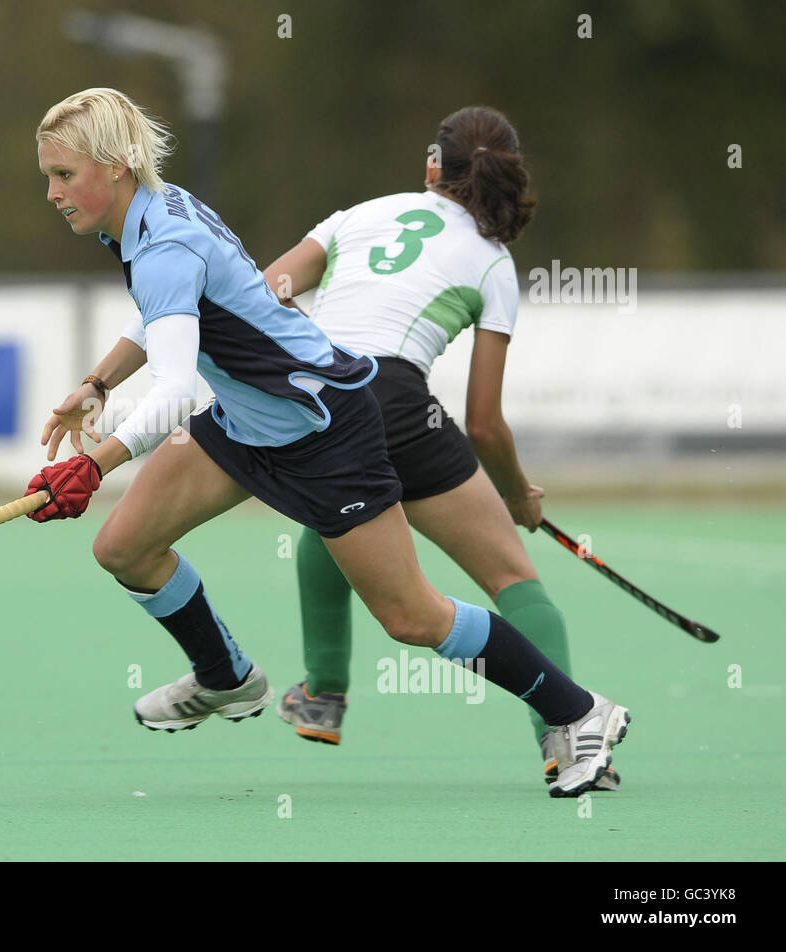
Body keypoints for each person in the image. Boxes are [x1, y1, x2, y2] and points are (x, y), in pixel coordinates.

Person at [23, 88, 629, 797]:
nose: (51, 192)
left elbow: (177, 391)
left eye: (64, 175)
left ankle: (580, 713)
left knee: (412, 617)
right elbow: (166, 314)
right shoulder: (147, 213)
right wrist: (97, 385)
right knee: (123, 547)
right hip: (249, 419)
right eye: (48, 176)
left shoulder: (163, 240)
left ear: (119, 165)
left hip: (322, 427)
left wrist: (95, 464)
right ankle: (227, 677)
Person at [261, 106, 617, 790]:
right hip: (394, 401)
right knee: (514, 580)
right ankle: (568, 739)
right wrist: (517, 495)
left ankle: (324, 695)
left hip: (314, 393)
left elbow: (260, 294)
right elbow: (485, 424)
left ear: (433, 167)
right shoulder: (493, 264)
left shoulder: (357, 215)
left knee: (335, 519)